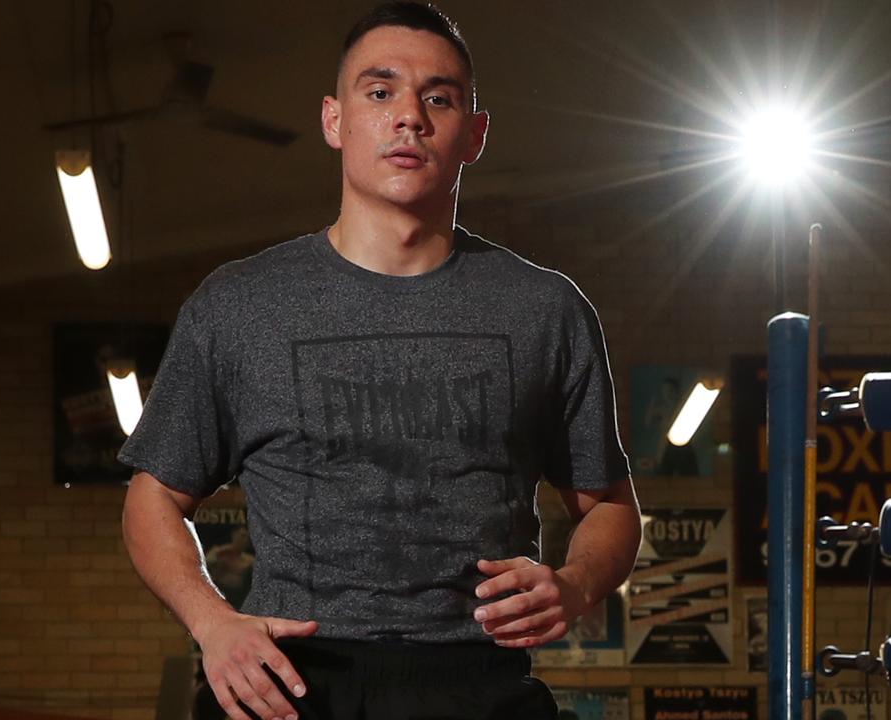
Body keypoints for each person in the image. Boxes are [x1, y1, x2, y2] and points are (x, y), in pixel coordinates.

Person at [118, 4, 642, 719]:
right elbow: (153, 497)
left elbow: (609, 505)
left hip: (476, 681)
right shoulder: (238, 305)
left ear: (474, 134)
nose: (410, 117)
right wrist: (211, 622)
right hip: (292, 679)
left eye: (439, 98)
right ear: (335, 120)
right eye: (380, 90)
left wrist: (576, 585)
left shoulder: (546, 309)